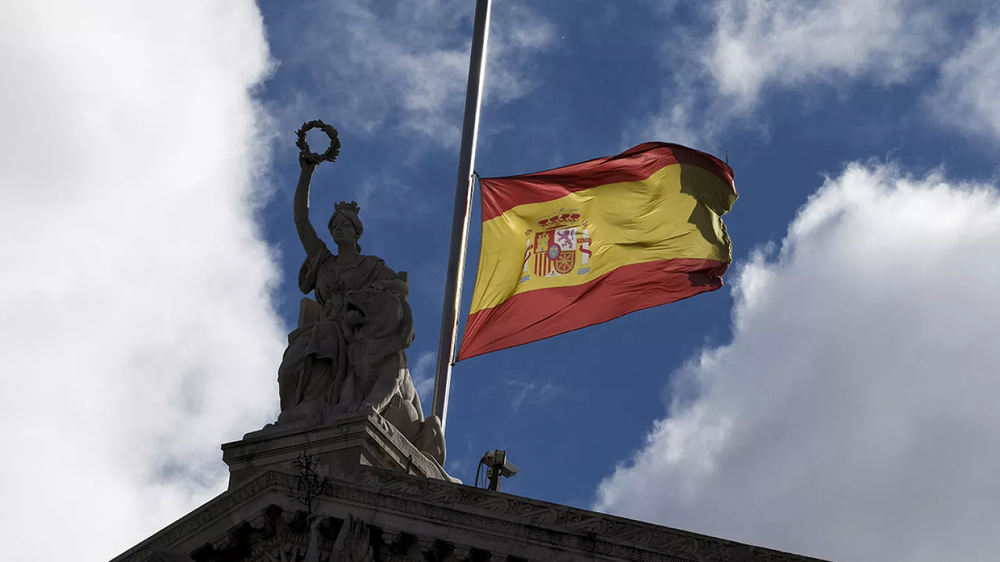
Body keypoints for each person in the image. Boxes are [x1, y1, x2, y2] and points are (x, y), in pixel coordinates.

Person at [277, 151, 444, 466]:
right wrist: (306, 174)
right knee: (292, 362)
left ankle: (317, 403)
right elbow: (300, 220)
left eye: (343, 224)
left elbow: (399, 287)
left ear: (356, 231)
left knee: (326, 334)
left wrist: (375, 289)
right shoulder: (323, 261)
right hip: (324, 330)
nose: (337, 229)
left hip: (357, 328)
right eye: (334, 225)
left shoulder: (371, 265)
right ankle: (302, 408)